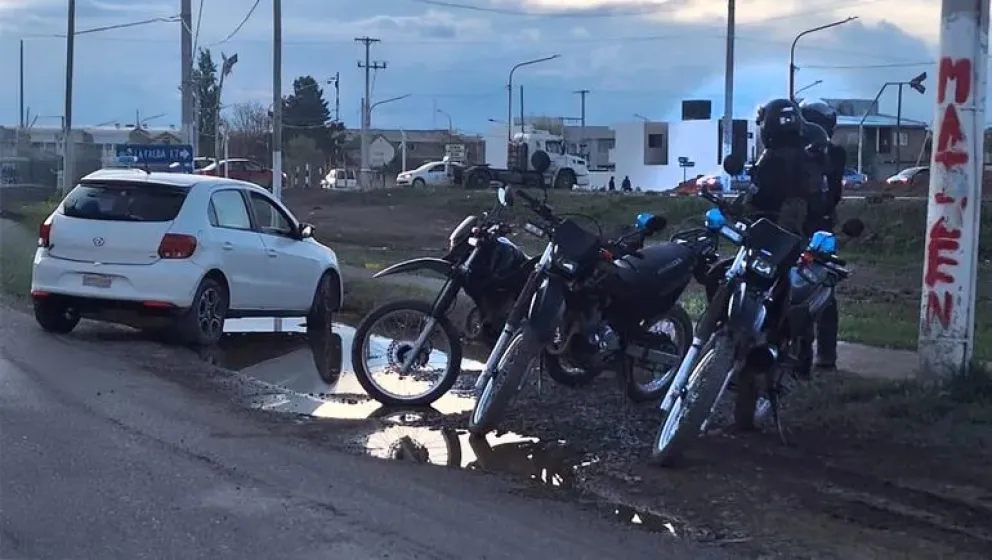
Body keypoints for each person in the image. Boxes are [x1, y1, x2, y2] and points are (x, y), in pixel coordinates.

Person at [799, 98, 844, 369]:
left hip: (815, 227)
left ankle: (821, 356)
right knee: (811, 290)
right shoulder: (789, 153)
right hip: (809, 226)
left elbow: (831, 194)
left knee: (821, 289)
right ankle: (812, 356)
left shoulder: (830, 155)